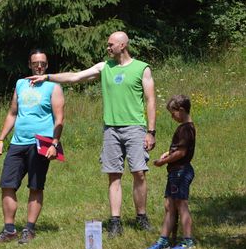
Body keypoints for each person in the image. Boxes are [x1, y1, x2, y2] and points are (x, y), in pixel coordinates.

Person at [27, 31, 157, 237]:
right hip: (111, 129)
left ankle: (141, 217)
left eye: (111, 44)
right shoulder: (104, 67)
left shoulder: (142, 68)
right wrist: (48, 77)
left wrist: (151, 131)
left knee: (139, 173)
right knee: (113, 175)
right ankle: (115, 221)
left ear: (122, 45)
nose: (108, 48)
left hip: (135, 128)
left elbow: (151, 101)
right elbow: (75, 77)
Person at [0, 50, 64, 244]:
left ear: (47, 65)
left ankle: (29, 229)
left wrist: (54, 144)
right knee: (7, 185)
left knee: (35, 186)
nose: (39, 66)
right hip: (18, 143)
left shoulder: (53, 86)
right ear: (30, 65)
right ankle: (9, 230)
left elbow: (59, 118)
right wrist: (1, 139)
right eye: (35, 63)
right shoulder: (20, 84)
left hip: (42, 142)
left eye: (42, 63)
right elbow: (12, 113)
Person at [145, 95, 196, 249]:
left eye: (173, 113)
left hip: (181, 172)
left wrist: (163, 162)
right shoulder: (185, 128)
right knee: (169, 206)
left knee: (181, 205)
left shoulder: (186, 129)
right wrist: (168, 154)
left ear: (181, 110)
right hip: (175, 172)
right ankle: (164, 240)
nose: (172, 116)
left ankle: (188, 240)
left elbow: (181, 152)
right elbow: (179, 149)